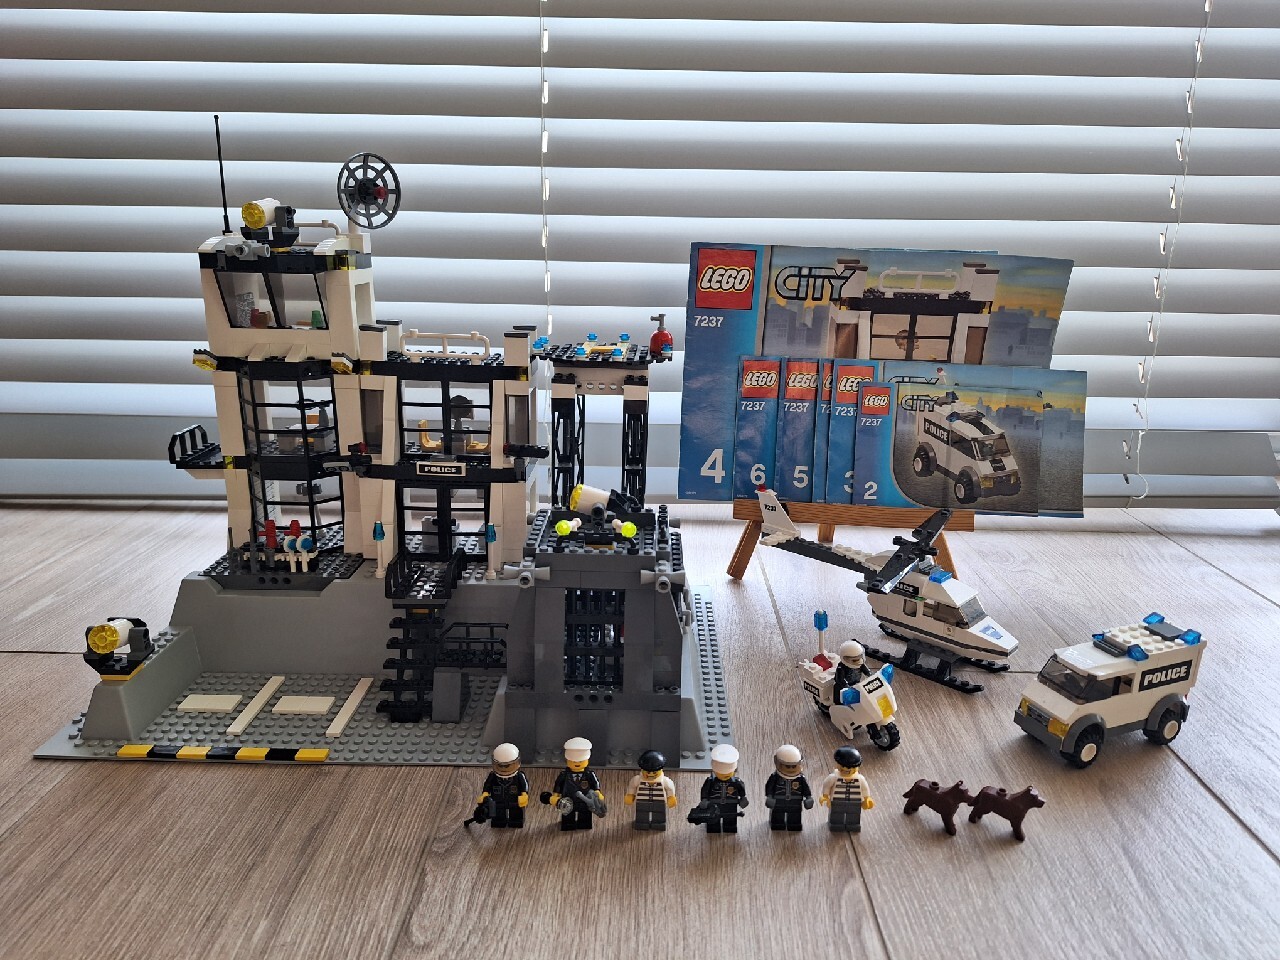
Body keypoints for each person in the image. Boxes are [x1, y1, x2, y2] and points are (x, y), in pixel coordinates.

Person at [545, 736, 606, 831]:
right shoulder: (564, 775)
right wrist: (556, 795)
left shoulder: (589, 774)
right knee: (568, 815)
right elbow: (558, 785)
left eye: (581, 761)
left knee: (585, 815)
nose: (577, 763)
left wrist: (597, 793)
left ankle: (584, 823)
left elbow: (595, 784)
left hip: (585, 800)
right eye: (573, 761)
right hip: (568, 800)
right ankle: (568, 824)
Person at [690, 744, 749, 834]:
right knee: (713, 821)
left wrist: (743, 798)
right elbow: (705, 790)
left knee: (730, 820)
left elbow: (741, 790)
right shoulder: (711, 781)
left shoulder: (736, 782)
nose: (724, 775)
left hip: (731, 805)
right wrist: (704, 800)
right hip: (713, 804)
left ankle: (730, 827)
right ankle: (713, 828)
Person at [472, 742, 530, 828]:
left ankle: (516, 821)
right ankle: (499, 821)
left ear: (517, 763)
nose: (504, 769)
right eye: (500, 766)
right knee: (498, 815)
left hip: (514, 801)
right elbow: (487, 786)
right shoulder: (493, 776)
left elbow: (524, 786)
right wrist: (484, 795)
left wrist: (524, 794)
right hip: (498, 801)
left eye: (507, 766)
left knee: (516, 813)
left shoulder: (519, 776)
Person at [819, 745, 875, 833]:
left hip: (855, 802)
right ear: (838, 764)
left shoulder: (860, 779)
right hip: (837, 801)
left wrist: (867, 798)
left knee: (854, 815)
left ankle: (853, 825)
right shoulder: (834, 777)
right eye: (843, 766)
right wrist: (825, 796)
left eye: (850, 767)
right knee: (836, 814)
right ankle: (836, 825)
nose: (846, 769)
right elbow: (827, 785)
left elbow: (865, 788)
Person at [764, 744, 814, 831]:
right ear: (778, 763)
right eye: (787, 766)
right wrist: (770, 796)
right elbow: (769, 787)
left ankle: (794, 825)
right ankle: (777, 824)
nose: (791, 769)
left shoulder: (800, 778)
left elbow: (805, 788)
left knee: (795, 815)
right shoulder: (775, 777)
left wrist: (808, 797)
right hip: (778, 800)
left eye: (794, 766)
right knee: (778, 815)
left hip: (795, 801)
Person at [625, 749, 678, 830]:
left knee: (659, 814)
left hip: (659, 801)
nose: (651, 775)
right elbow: (632, 787)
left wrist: (671, 797)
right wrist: (630, 795)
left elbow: (670, 789)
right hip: (642, 801)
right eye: (648, 772)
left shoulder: (665, 781)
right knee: (642, 813)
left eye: (654, 772)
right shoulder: (637, 779)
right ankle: (642, 823)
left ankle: (658, 824)